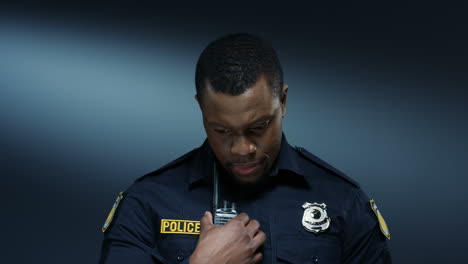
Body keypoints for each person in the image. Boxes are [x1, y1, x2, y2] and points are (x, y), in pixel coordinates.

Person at [99, 33, 392, 264]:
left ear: (284, 102)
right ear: (201, 108)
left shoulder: (343, 202)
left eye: (258, 127)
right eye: (222, 130)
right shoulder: (147, 203)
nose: (242, 148)